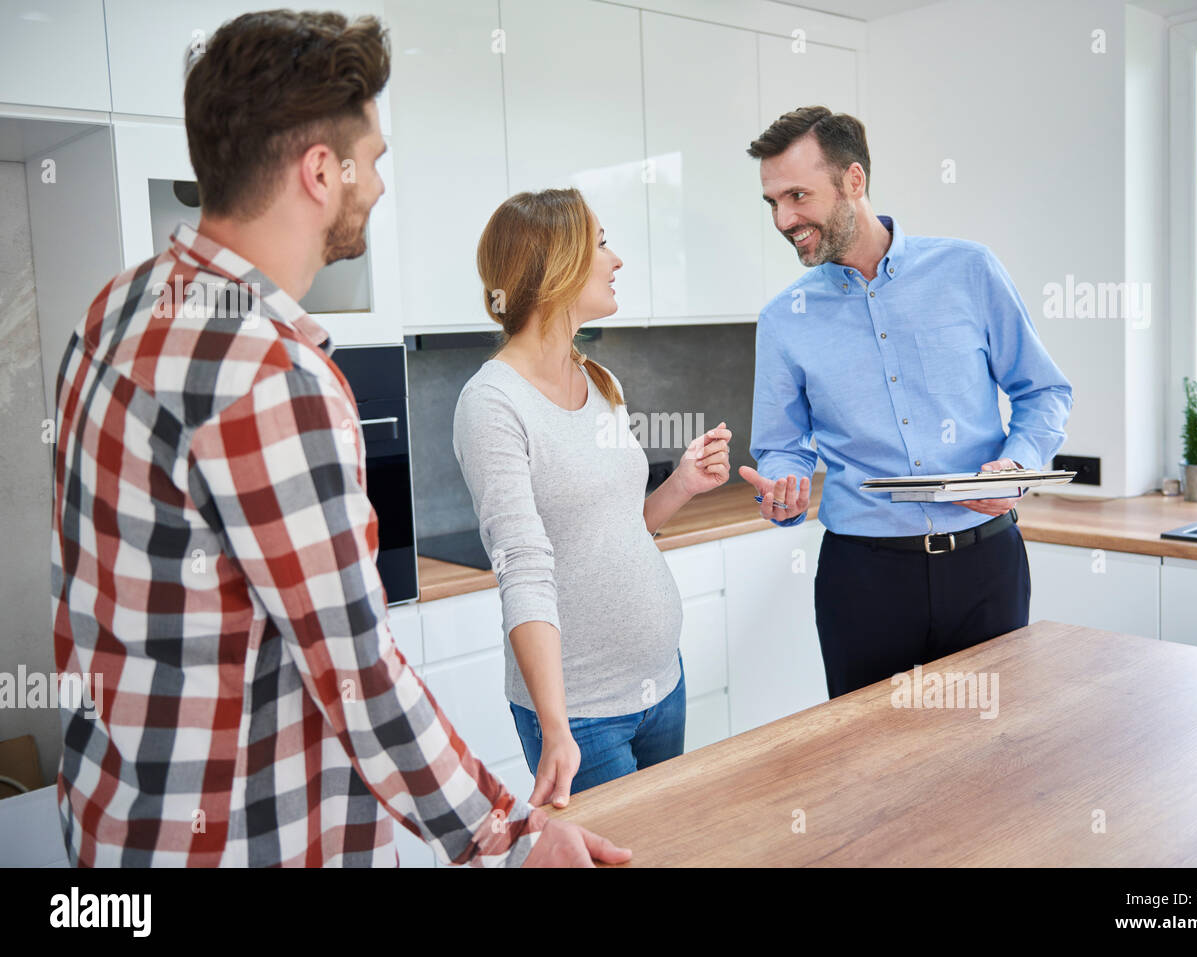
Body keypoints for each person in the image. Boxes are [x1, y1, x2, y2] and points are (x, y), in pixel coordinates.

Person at [49, 9, 625, 867]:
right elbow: (358, 671)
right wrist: (512, 834)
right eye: (376, 160)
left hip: (115, 823)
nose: (381, 186)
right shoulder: (272, 373)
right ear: (323, 170)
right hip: (248, 840)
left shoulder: (116, 308)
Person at [739, 106, 1073, 698]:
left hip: (985, 565)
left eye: (797, 195)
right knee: (870, 769)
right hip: (864, 578)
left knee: (994, 757)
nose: (784, 219)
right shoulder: (783, 319)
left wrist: (1016, 466)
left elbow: (1042, 390)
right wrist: (782, 485)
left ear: (854, 181)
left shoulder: (968, 270)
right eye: (772, 202)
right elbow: (781, 446)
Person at [454, 188, 732, 809]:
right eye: (601, 242)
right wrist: (555, 729)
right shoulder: (492, 404)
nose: (617, 259)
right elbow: (522, 568)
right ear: (556, 264)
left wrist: (682, 484)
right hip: (582, 718)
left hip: (663, 682)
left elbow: (619, 527)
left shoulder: (597, 379)